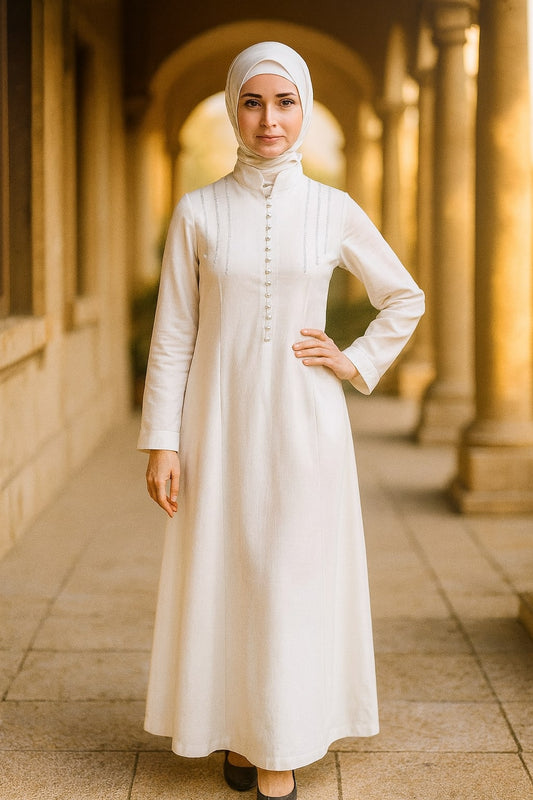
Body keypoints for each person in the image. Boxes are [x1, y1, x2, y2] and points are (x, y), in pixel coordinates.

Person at [138, 41, 424, 800]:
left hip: (305, 424)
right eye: (254, 102)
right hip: (217, 423)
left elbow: (405, 296)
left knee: (287, 578)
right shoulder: (197, 212)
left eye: (285, 101)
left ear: (303, 108)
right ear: (234, 107)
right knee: (229, 572)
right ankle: (238, 728)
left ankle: (278, 745)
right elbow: (173, 333)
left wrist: (353, 360)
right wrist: (161, 440)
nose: (270, 119)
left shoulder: (333, 209)